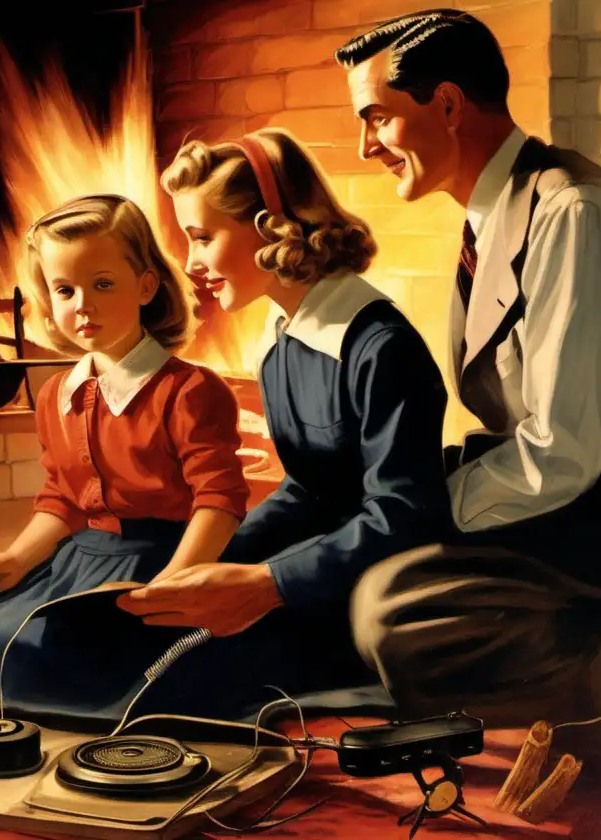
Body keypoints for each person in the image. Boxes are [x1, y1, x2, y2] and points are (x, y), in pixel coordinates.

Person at [333, 8, 601, 750]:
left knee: (382, 608)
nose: (364, 146)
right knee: (355, 553)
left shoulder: (571, 215)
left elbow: (562, 451)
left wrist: (417, 513)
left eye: (376, 118)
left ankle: (581, 684)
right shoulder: (492, 213)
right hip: (552, 484)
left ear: (445, 105)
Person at [114, 127, 455, 721]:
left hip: (372, 581)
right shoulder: (280, 341)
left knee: (188, 687)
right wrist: (220, 557)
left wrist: (266, 580)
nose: (192, 264)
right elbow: (308, 487)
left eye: (202, 238)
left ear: (273, 228)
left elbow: (404, 513)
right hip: (312, 565)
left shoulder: (380, 346)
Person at [0, 193, 250, 720]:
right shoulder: (56, 395)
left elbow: (220, 501)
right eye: (65, 289)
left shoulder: (189, 390)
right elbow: (62, 500)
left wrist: (173, 583)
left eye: (103, 284)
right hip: (81, 563)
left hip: (161, 559)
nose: (82, 304)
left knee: (95, 655)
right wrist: (16, 560)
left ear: (146, 287)